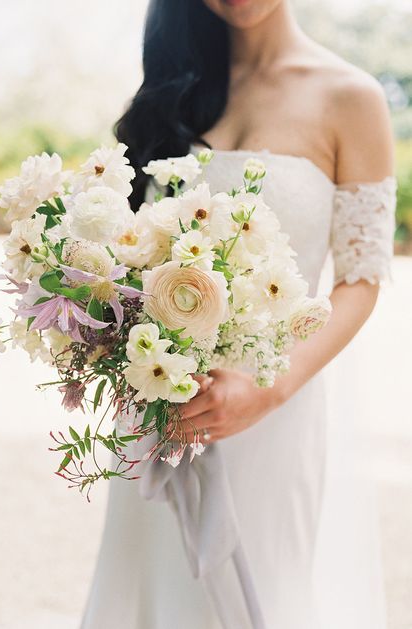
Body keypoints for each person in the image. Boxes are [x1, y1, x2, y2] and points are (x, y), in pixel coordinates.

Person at [81, 1, 396, 627]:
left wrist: (266, 390)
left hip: (274, 415)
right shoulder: (167, 94)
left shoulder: (350, 98)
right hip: (160, 417)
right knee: (149, 595)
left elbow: (360, 280)